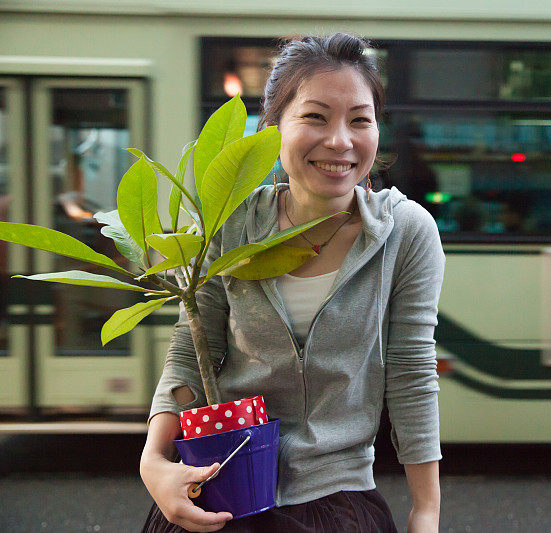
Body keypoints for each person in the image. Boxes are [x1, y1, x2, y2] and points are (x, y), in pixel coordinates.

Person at [140, 33, 444, 532]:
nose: (341, 141)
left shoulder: (405, 232)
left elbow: (411, 372)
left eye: (360, 120)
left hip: (338, 502)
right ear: (274, 128)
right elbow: (191, 349)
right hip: (220, 490)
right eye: (315, 117)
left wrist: (425, 511)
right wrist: (154, 461)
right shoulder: (227, 224)